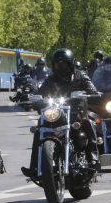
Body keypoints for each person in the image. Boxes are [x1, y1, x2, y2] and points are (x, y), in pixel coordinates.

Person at [22, 48, 99, 177]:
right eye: (57, 64)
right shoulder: (51, 78)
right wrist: (34, 98)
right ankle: (34, 167)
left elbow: (92, 89)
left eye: (63, 63)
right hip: (56, 111)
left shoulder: (80, 75)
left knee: (88, 123)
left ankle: (93, 159)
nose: (60, 66)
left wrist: (90, 93)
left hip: (76, 111)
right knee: (40, 127)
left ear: (70, 63)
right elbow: (41, 93)